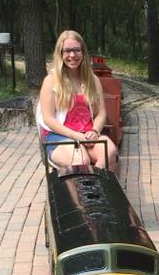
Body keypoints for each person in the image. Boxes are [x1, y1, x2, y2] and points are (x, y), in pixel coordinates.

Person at [37, 30, 119, 173]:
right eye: (67, 51)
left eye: (76, 50)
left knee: (110, 152)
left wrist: (94, 130)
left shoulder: (93, 80)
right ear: (60, 53)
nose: (72, 55)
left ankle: (96, 190)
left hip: (87, 134)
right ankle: (82, 192)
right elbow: (48, 119)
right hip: (59, 136)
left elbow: (101, 113)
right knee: (81, 160)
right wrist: (76, 136)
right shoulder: (51, 81)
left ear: (83, 52)